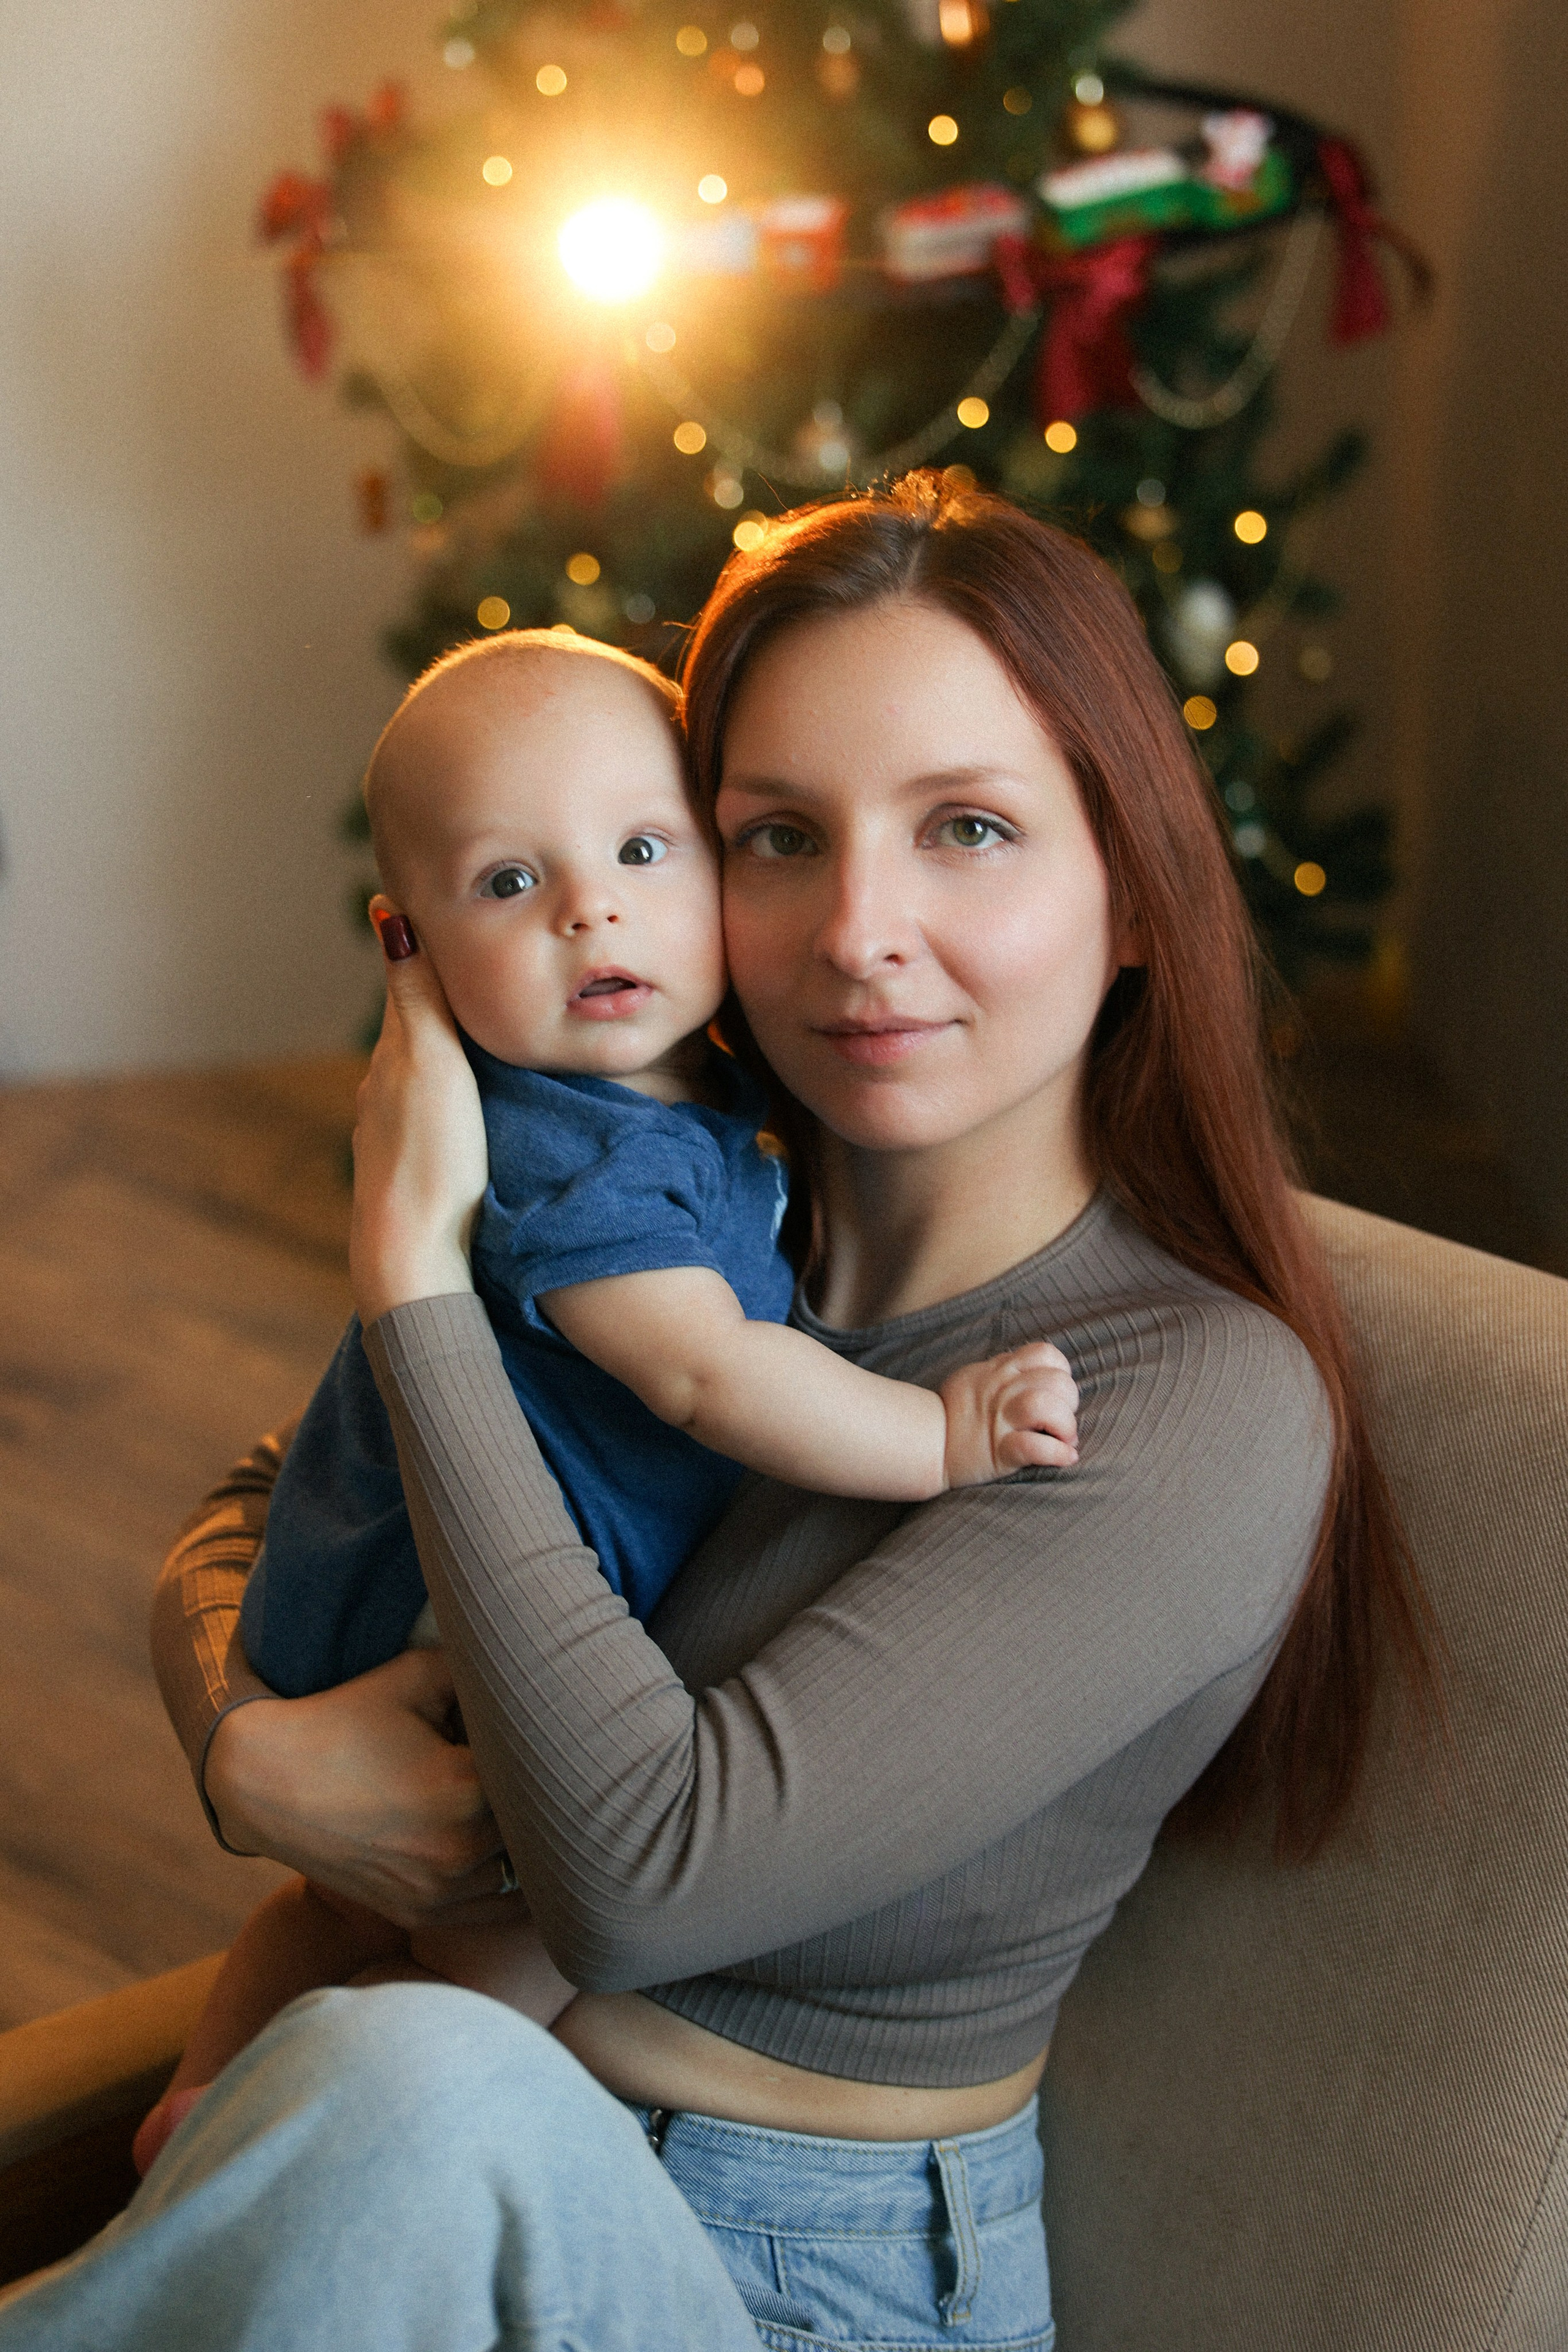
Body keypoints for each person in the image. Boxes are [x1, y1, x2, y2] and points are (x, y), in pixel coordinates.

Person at [0, 475, 1431, 2352]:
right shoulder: (696, 1197)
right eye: (776, 837)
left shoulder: (1186, 1403)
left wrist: (414, 1271)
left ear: (1137, 890)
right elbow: (266, 1506)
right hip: (410, 2169)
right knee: (402, 2089)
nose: (856, 930)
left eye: (969, 829)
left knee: (419, 2086)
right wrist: (246, 1750)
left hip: (793, 2278)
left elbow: (636, 1882)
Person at [132, 625, 1078, 2175]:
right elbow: (703, 1370)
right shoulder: (571, 1155)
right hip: (441, 1621)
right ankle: (353, 2131)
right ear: (411, 944)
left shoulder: (685, 1094)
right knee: (517, 1935)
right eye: (509, 881)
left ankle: (201, 2098)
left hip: (356, 1580)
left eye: (643, 849)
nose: (591, 909)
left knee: (329, 1909)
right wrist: (941, 1433)